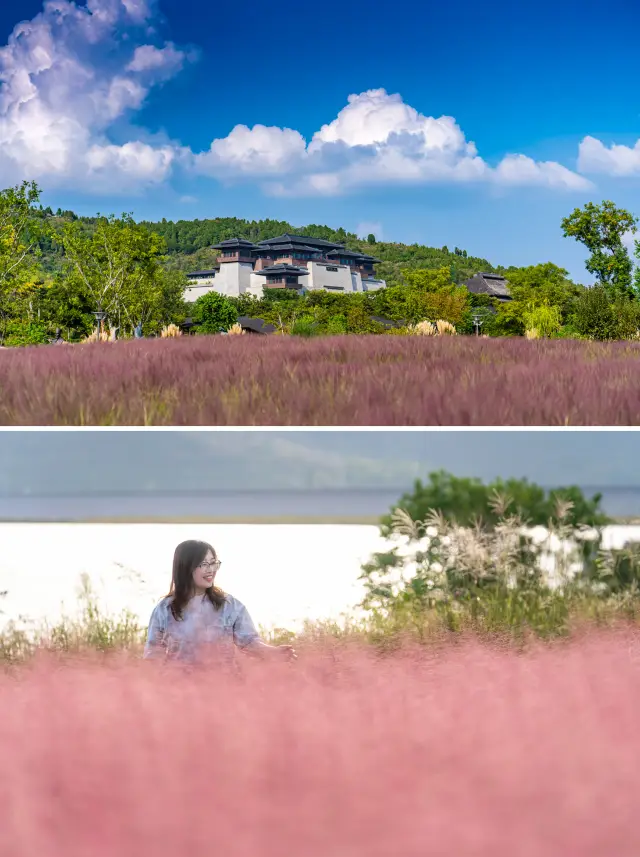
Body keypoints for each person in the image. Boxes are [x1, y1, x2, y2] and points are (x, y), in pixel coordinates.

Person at [144, 539, 296, 665]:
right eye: (204, 564)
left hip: (223, 687)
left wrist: (273, 653)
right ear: (186, 568)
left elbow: (249, 642)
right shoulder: (165, 609)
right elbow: (153, 654)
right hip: (178, 690)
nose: (211, 570)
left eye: (213, 563)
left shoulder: (229, 605)